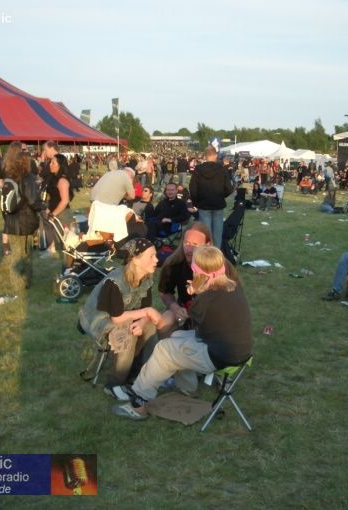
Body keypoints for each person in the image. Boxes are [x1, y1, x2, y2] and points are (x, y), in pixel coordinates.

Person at [112, 245, 253, 421]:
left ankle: (138, 404)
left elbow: (196, 324)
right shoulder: (233, 285)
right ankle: (188, 389)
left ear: (199, 272)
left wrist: (195, 293)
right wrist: (200, 291)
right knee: (176, 337)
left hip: (220, 356)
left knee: (164, 349)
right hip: (241, 350)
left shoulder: (206, 299)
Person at [78, 238, 165, 401]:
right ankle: (114, 384)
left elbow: (144, 310)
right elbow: (117, 318)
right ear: (136, 260)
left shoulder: (146, 277)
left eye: (156, 255)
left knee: (150, 328)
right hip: (99, 320)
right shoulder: (115, 282)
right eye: (151, 256)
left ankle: (140, 375)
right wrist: (147, 312)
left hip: (125, 316)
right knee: (126, 332)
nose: (156, 260)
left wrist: (142, 322)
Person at [3, 145, 45, 288]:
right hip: (25, 222)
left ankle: (16, 284)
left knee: (15, 254)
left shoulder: (9, 177)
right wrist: (43, 207)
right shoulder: (27, 178)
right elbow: (33, 200)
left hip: (10, 221)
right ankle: (25, 282)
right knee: (25, 254)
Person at [189, 146, 234, 248]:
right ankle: (216, 254)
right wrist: (221, 196)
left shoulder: (198, 169)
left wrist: (196, 202)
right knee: (217, 234)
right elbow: (229, 188)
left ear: (205, 156)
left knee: (205, 235)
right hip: (217, 204)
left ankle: (206, 254)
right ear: (216, 155)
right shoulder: (222, 169)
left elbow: (193, 188)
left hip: (204, 205)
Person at [41, 153, 72, 257]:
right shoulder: (54, 177)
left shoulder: (62, 180)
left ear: (60, 165)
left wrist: (53, 214)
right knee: (51, 231)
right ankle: (51, 248)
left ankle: (67, 259)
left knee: (66, 242)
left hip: (63, 214)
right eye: (50, 162)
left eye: (53, 163)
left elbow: (65, 201)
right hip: (54, 211)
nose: (50, 164)